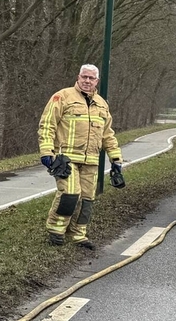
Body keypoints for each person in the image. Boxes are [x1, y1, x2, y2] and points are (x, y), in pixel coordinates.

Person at [37, 64, 122, 249]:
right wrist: (46, 151)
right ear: (78, 77)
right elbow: (47, 125)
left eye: (91, 78)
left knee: (87, 199)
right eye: (84, 77)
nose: (87, 81)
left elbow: (108, 134)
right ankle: (56, 230)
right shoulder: (62, 97)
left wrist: (115, 159)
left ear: (97, 81)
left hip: (91, 160)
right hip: (65, 159)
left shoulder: (102, 104)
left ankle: (78, 234)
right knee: (70, 194)